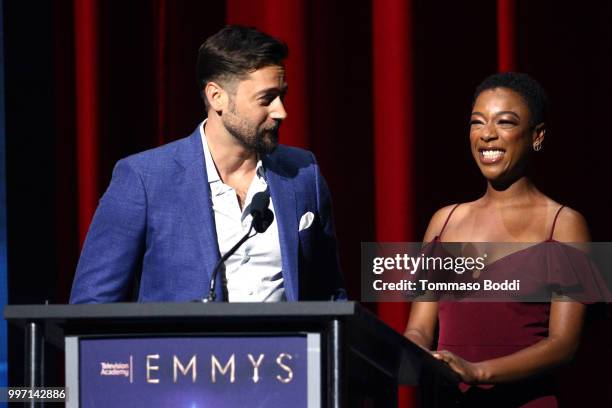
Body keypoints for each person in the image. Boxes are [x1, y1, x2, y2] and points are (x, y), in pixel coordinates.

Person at [70, 25, 345, 303]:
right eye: (266, 99)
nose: (281, 111)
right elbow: (93, 303)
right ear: (217, 97)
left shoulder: (303, 174)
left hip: (288, 347)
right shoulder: (144, 179)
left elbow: (330, 295)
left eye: (282, 96)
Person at [404, 72, 589, 407]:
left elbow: (564, 344)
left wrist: (478, 372)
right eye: (477, 122)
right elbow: (419, 326)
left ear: (537, 135)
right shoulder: (443, 221)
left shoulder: (565, 225)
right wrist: (410, 349)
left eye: (504, 122)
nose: (487, 134)